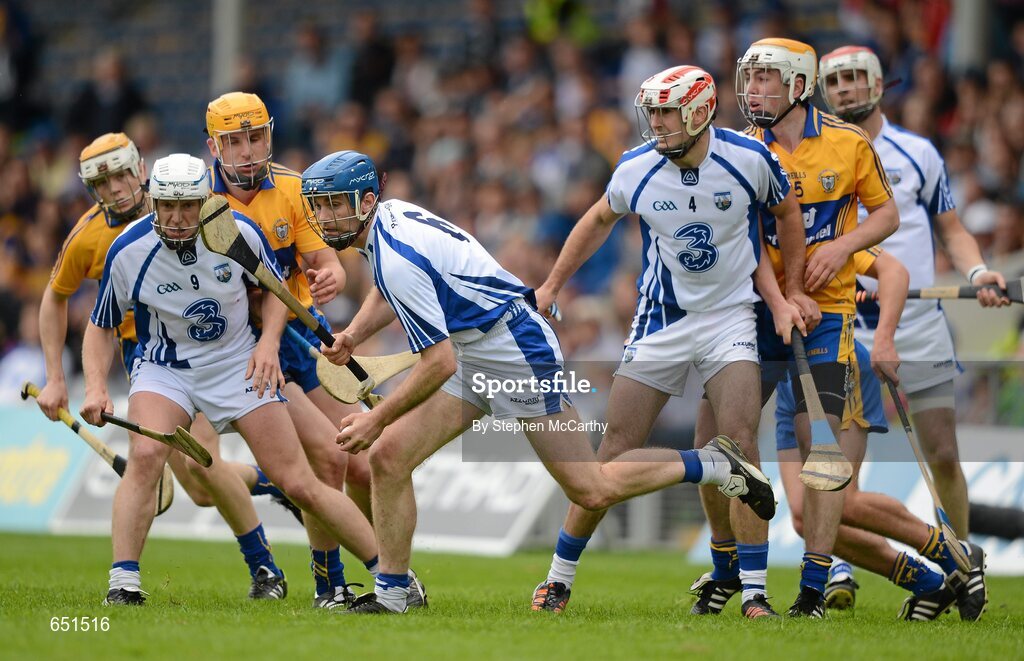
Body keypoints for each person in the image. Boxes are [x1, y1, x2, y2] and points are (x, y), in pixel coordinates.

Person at [304, 148, 777, 614]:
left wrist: (377, 418)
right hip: (478, 347)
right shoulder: (390, 222)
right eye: (320, 205)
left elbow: (437, 362)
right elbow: (392, 293)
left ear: (366, 202)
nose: (325, 217)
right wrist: (352, 335)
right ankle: (393, 593)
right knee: (390, 458)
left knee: (590, 488)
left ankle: (715, 464)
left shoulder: (395, 253)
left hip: (513, 351)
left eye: (336, 204)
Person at [527, 65, 809, 615]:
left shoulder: (749, 159)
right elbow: (595, 220)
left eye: (666, 112)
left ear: (700, 112)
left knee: (742, 444)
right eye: (651, 112)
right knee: (611, 450)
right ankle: (559, 578)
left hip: (730, 318)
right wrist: (552, 285)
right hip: (661, 319)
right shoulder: (635, 168)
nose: (655, 123)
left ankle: (754, 594)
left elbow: (787, 213)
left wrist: (790, 292)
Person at [80, 153, 392, 606]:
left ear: (204, 201)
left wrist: (267, 346)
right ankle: (123, 583)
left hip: (237, 363)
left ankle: (391, 575)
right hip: (167, 368)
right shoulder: (128, 250)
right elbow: (100, 325)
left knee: (300, 482)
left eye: (188, 205)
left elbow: (277, 292)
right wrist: (94, 386)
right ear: (153, 204)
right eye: (168, 206)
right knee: (147, 453)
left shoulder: (239, 232)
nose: (178, 217)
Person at [689, 38, 900, 619]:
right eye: (748, 79)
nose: (752, 91)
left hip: (829, 316)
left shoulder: (849, 143)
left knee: (822, 450)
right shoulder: (737, 149)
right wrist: (785, 295)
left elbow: (887, 214)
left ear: (800, 86)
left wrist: (844, 247)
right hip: (753, 314)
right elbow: (749, 242)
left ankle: (814, 584)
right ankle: (728, 565)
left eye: (766, 80)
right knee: (714, 445)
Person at [36, 134, 294, 599]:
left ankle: (264, 561)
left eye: (120, 175)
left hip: (209, 352)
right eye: (102, 182)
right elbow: (56, 301)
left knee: (202, 465)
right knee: (197, 481)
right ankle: (274, 489)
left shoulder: (199, 209)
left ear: (141, 171)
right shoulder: (90, 236)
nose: (115, 188)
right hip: (151, 358)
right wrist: (58, 376)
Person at [816, 44, 998, 620]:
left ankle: (959, 566)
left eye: (855, 78)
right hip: (842, 325)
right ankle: (837, 567)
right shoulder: (813, 154)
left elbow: (951, 228)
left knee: (943, 452)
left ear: (879, 84)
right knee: (842, 467)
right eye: (835, 80)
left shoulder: (918, 153)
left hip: (917, 328)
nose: (845, 88)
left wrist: (976, 271)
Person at [202, 91, 403, 609]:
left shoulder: (292, 188)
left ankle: (384, 570)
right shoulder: (195, 202)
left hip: (298, 335)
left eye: (256, 137)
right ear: (214, 147)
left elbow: (326, 262)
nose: (248, 151)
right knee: (321, 460)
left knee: (356, 460)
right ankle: (331, 580)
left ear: (269, 135)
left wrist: (331, 276)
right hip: (239, 345)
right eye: (235, 142)